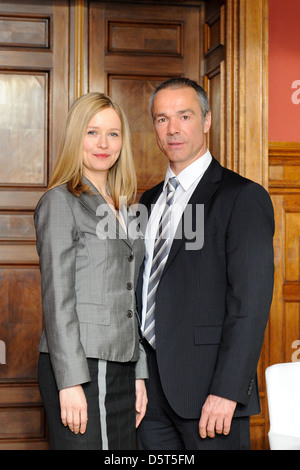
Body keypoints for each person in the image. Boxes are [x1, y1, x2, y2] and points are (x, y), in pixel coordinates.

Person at [136, 77, 274, 450]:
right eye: (162, 119)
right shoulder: (146, 202)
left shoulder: (241, 197)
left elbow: (251, 304)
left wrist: (228, 391)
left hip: (210, 397)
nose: (173, 129)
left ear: (207, 120)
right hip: (148, 399)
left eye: (185, 116)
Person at [34, 92, 148, 450]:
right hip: (80, 364)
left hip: (122, 365)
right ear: (75, 138)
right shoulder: (60, 200)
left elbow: (134, 295)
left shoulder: (127, 206)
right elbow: (58, 299)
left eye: (113, 134)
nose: (104, 143)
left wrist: (139, 373)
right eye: (92, 132)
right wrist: (68, 382)